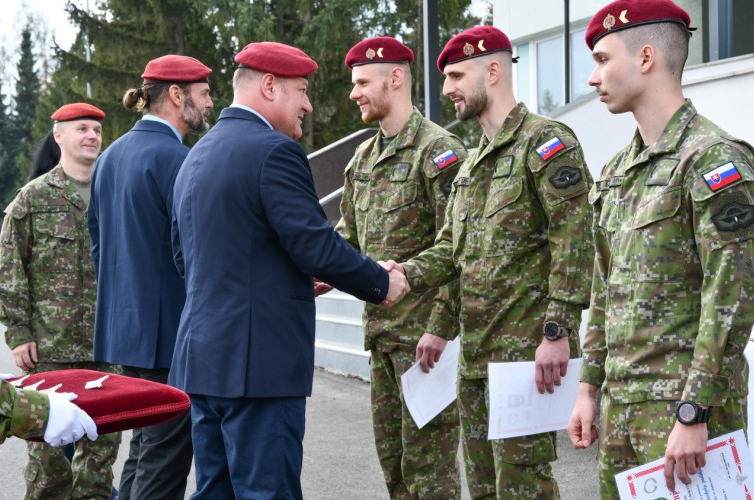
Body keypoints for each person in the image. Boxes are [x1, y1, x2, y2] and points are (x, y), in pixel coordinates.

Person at [169, 41, 410, 499]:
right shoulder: (273, 151)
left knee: (214, 492)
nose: (308, 104)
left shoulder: (196, 156)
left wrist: (285, 276)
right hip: (258, 368)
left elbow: (191, 258)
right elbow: (314, 244)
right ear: (269, 86)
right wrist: (382, 282)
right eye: (301, 90)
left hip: (203, 363)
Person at [567, 1, 754, 497]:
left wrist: (694, 410)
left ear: (646, 57)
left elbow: (733, 295)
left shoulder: (712, 158)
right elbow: (605, 289)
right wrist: (588, 389)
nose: (593, 78)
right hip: (620, 410)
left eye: (601, 59)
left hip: (685, 416)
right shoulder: (616, 172)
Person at [385, 26, 594, 498]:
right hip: (476, 359)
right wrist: (403, 277)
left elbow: (574, 238)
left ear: (493, 70)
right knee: (483, 489)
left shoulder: (546, 143)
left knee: (524, 487)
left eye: (457, 75)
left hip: (526, 357)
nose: (446, 89)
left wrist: (557, 332)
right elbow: (453, 251)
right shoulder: (473, 164)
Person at [336, 36, 465, 499]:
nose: (354, 93)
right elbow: (347, 239)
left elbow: (460, 246)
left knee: (430, 476)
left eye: (362, 82)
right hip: (383, 339)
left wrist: (442, 326)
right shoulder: (363, 160)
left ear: (395, 78)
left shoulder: (439, 152)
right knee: (395, 471)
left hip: (425, 344)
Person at [87, 54, 212, 500]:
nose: (210, 104)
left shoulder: (109, 157)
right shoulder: (178, 158)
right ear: (176, 95)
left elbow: (99, 247)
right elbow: (192, 252)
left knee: (144, 445)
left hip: (126, 329)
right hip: (169, 333)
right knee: (166, 453)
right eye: (203, 93)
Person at [0, 103, 121, 500]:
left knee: (99, 463)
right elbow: (12, 268)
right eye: (82, 128)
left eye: (97, 130)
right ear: (59, 136)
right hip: (50, 350)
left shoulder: (116, 191)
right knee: (49, 465)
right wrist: (18, 333)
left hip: (107, 347)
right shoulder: (33, 199)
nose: (91, 136)